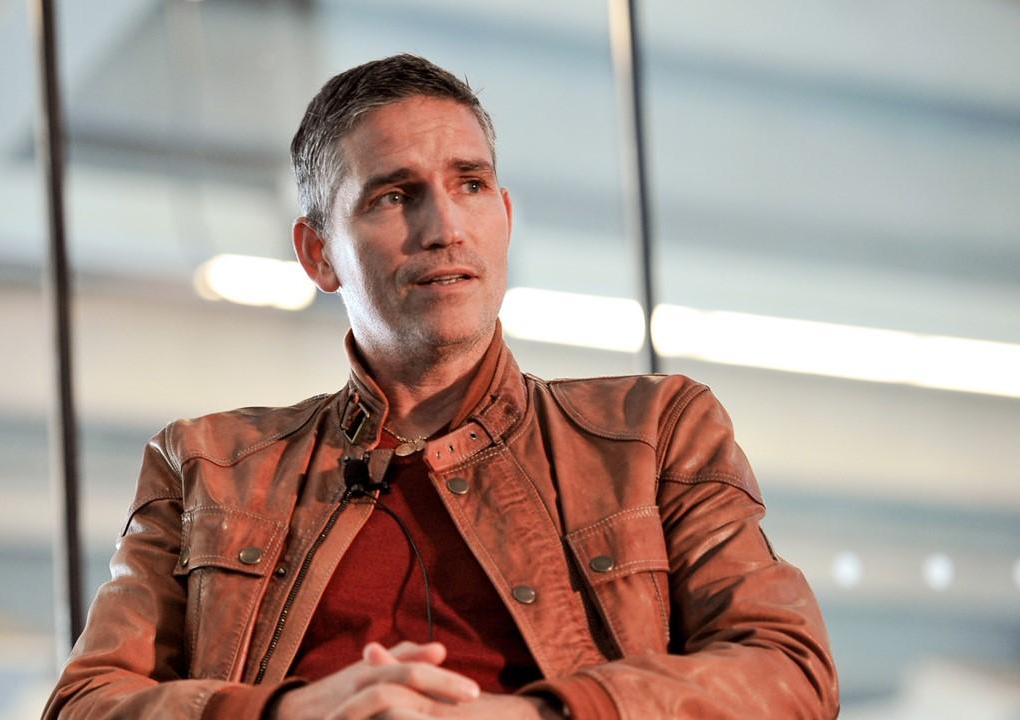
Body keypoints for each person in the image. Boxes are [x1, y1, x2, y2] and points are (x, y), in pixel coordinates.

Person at [43, 54, 839, 719]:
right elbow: (85, 704)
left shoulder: (654, 429)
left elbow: (789, 673)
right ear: (318, 254)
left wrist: (535, 715)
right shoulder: (208, 462)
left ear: (505, 214)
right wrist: (292, 712)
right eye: (395, 195)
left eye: (470, 185)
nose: (445, 227)